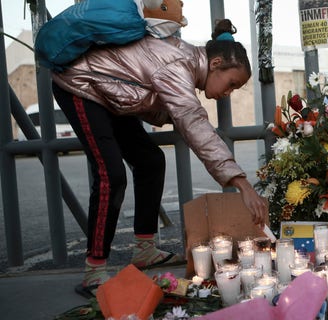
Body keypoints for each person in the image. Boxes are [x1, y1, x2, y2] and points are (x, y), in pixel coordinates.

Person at [51, 19, 268, 298]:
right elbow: (193, 122)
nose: (228, 93)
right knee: (111, 176)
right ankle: (94, 269)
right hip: (81, 84)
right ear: (215, 64)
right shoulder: (179, 65)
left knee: (151, 161)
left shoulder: (186, 65)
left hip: (108, 96)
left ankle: (144, 249)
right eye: (231, 84)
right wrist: (243, 184)